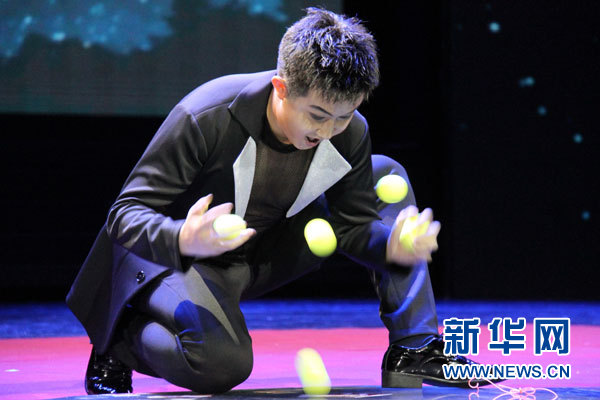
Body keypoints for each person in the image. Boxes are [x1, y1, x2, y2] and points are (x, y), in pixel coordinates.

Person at [67, 8, 488, 395]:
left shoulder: (350, 132)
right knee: (221, 365)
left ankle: (415, 348)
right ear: (281, 88)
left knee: (384, 174)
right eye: (318, 115)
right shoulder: (206, 116)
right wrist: (182, 237)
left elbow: (352, 228)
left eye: (344, 116)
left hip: (262, 251)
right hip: (179, 260)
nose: (329, 131)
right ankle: (119, 342)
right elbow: (124, 214)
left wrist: (391, 245)